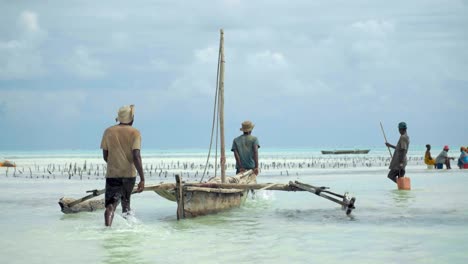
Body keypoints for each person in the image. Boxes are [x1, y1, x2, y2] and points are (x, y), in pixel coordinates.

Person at [100, 104, 145, 227]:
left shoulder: (108, 131)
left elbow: (105, 156)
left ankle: (107, 228)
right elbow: (136, 156)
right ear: (131, 118)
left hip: (112, 174)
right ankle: (129, 232)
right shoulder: (135, 133)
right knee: (126, 204)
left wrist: (115, 163)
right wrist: (142, 179)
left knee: (110, 206)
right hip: (129, 175)